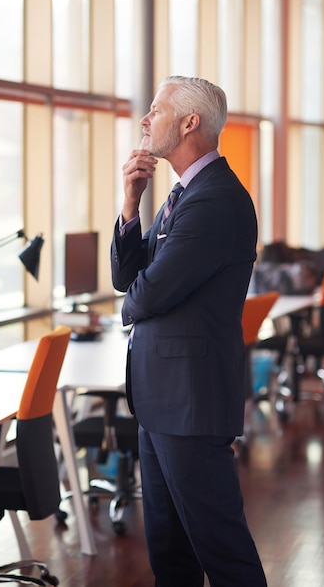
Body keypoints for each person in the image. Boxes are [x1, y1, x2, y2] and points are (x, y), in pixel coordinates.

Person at [111, 76, 267, 587]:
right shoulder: (182, 195)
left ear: (189, 123)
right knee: (170, 555)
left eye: (155, 110)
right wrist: (130, 205)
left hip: (190, 404)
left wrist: (127, 309)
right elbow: (126, 277)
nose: (145, 119)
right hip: (162, 401)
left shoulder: (214, 200)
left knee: (223, 553)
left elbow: (148, 293)